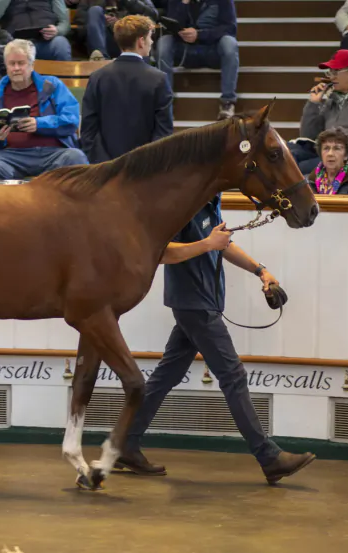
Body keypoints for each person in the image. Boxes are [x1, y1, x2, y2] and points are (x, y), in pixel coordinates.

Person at [117, 194, 316, 485]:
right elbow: (160, 252)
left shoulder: (209, 200)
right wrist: (207, 244)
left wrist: (260, 271)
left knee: (165, 376)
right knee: (233, 376)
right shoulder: (180, 204)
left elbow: (222, 244)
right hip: (195, 305)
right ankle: (268, 457)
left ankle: (125, 444)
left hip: (200, 303)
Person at [0, 39, 88, 183]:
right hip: (13, 155)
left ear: (32, 65)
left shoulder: (51, 85)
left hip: (53, 153)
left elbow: (72, 120)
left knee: (76, 157)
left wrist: (39, 124)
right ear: (6, 66)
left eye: (21, 63)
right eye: (12, 64)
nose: (16, 68)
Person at [80, 15, 172, 163]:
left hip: (104, 168)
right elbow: (163, 131)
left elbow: (88, 128)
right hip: (144, 168)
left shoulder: (97, 77)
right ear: (141, 41)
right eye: (150, 37)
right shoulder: (159, 79)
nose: (152, 41)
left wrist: (99, 161)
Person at [156, 0, 239, 120]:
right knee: (164, 42)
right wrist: (183, 4)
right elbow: (171, 26)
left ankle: (227, 102)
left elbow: (230, 28)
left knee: (230, 43)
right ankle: (166, 104)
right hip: (185, 51)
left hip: (212, 50)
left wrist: (200, 35)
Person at [74, 0, 158, 61]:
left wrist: (120, 22)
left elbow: (153, 15)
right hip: (101, 41)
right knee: (95, 10)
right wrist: (99, 23)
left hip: (129, 42)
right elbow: (80, 28)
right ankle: (100, 58)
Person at [0, 0, 73, 61]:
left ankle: (63, 83)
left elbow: (65, 22)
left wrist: (57, 30)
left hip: (45, 41)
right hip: (13, 42)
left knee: (61, 44)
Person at [307, 127, 348, 195]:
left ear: (346, 155)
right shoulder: (308, 181)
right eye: (326, 148)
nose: (330, 154)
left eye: (337, 148)